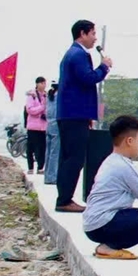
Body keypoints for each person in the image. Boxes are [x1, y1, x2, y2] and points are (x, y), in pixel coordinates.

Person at [81, 115, 138, 260]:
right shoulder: (124, 165)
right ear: (130, 141)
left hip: (93, 224)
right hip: (102, 224)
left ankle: (108, 245)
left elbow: (130, 184)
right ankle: (108, 247)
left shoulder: (112, 160)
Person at [55, 20, 112, 212]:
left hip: (72, 114)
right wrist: (103, 67)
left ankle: (64, 197)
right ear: (83, 33)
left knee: (68, 157)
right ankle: (64, 200)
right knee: (75, 158)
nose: (95, 38)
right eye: (93, 33)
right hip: (74, 114)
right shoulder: (79, 54)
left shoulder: (72, 54)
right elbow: (88, 78)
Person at [24, 77, 49, 175]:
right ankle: (30, 167)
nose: (44, 85)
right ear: (37, 84)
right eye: (42, 83)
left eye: (44, 83)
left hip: (43, 127)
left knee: (42, 148)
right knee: (30, 148)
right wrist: (41, 108)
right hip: (33, 127)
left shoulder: (46, 96)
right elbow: (30, 110)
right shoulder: (32, 96)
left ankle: (40, 167)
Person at [43, 83, 61, 185]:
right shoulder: (59, 96)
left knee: (48, 152)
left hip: (49, 125)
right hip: (57, 126)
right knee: (55, 153)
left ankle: (47, 176)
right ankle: (52, 177)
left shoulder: (50, 96)